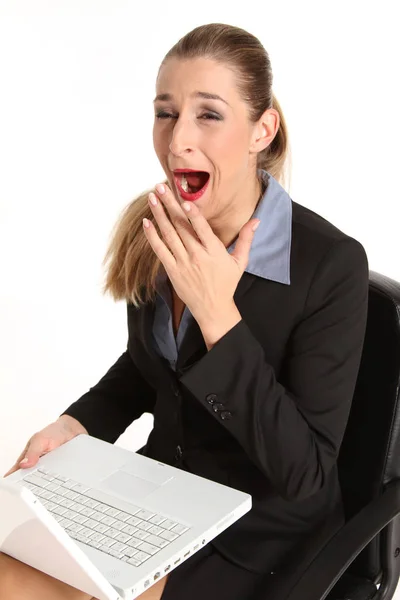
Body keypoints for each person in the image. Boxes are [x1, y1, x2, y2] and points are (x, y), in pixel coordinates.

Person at [1, 22, 369, 600]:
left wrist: (219, 315)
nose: (177, 142)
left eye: (209, 115)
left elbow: (307, 476)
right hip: (161, 501)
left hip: (260, 538)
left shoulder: (331, 265)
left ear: (262, 129)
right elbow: (144, 371)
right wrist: (77, 424)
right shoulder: (160, 228)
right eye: (166, 113)